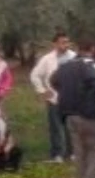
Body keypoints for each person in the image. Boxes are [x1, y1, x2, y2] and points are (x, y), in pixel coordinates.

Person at [51, 37, 95, 178]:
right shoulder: (89, 66)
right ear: (92, 49)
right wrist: (92, 97)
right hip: (88, 114)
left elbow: (53, 81)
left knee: (80, 152)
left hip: (68, 114)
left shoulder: (65, 66)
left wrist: (65, 94)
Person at [30, 31, 76, 163]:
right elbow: (35, 75)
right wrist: (42, 90)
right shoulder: (47, 59)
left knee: (71, 127)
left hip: (71, 99)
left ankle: (72, 153)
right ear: (55, 44)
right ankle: (57, 154)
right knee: (55, 127)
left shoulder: (74, 57)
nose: (65, 45)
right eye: (62, 42)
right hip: (54, 98)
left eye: (67, 42)